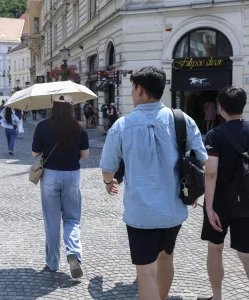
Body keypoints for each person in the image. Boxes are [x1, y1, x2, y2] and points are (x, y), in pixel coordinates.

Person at [100, 67, 207, 300]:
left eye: (132, 88)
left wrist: (109, 182)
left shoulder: (121, 125)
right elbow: (201, 159)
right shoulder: (182, 120)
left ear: (140, 89)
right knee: (167, 256)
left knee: (146, 273)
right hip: (173, 209)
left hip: (141, 213)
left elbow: (108, 168)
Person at [201, 86, 249, 300]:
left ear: (220, 108)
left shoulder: (215, 135)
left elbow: (210, 173)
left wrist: (208, 208)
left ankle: (217, 297)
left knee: (215, 249)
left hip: (219, 203)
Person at [32, 95, 89, 279]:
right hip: (72, 174)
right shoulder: (79, 127)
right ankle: (73, 252)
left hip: (50, 175)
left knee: (52, 221)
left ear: (53, 106)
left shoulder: (42, 126)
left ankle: (53, 262)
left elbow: (35, 154)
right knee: (72, 218)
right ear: (71, 107)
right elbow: (85, 155)